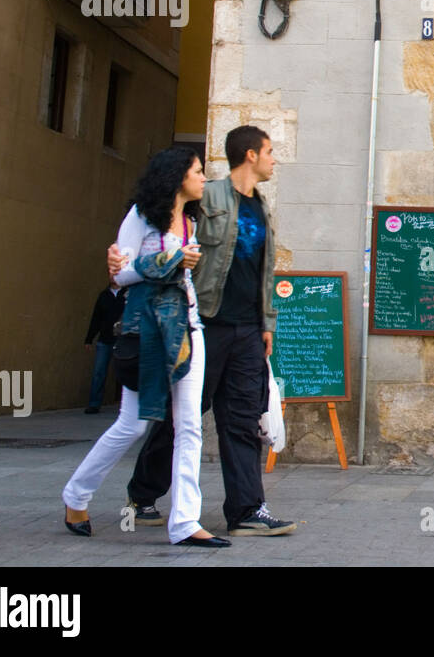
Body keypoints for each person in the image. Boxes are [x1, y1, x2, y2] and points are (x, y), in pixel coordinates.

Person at [110, 126, 294, 537]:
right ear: (250, 154)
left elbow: (265, 272)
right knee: (183, 416)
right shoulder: (205, 196)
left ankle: (247, 509)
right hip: (204, 322)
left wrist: (267, 322)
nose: (273, 159)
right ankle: (142, 495)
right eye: (269, 151)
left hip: (247, 329)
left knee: (244, 417)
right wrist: (122, 257)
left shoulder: (262, 208)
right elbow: (157, 219)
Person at [63, 147, 229, 547]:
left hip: (188, 329)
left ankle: (185, 522)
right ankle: (76, 494)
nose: (203, 178)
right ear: (177, 177)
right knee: (133, 423)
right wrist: (172, 259)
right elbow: (120, 277)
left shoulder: (190, 220)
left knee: (189, 425)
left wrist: (181, 262)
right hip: (151, 332)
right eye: (197, 171)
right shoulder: (140, 217)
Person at [83, 284, 126, 414]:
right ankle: (94, 404)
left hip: (122, 339)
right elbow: (96, 317)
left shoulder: (128, 294)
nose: (113, 276)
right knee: (99, 372)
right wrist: (89, 339)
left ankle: (126, 406)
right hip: (105, 339)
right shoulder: (104, 295)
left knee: (125, 372)